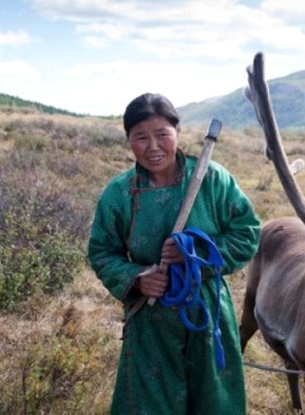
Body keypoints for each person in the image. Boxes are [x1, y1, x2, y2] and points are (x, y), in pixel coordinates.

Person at [87, 92, 261, 414]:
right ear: (128, 141)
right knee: (150, 401)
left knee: (213, 400)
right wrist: (136, 278)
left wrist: (196, 256)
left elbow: (247, 233)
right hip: (149, 317)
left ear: (178, 132)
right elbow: (101, 252)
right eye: (141, 138)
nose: (153, 148)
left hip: (206, 311)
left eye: (162, 135)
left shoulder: (213, 180)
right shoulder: (119, 193)